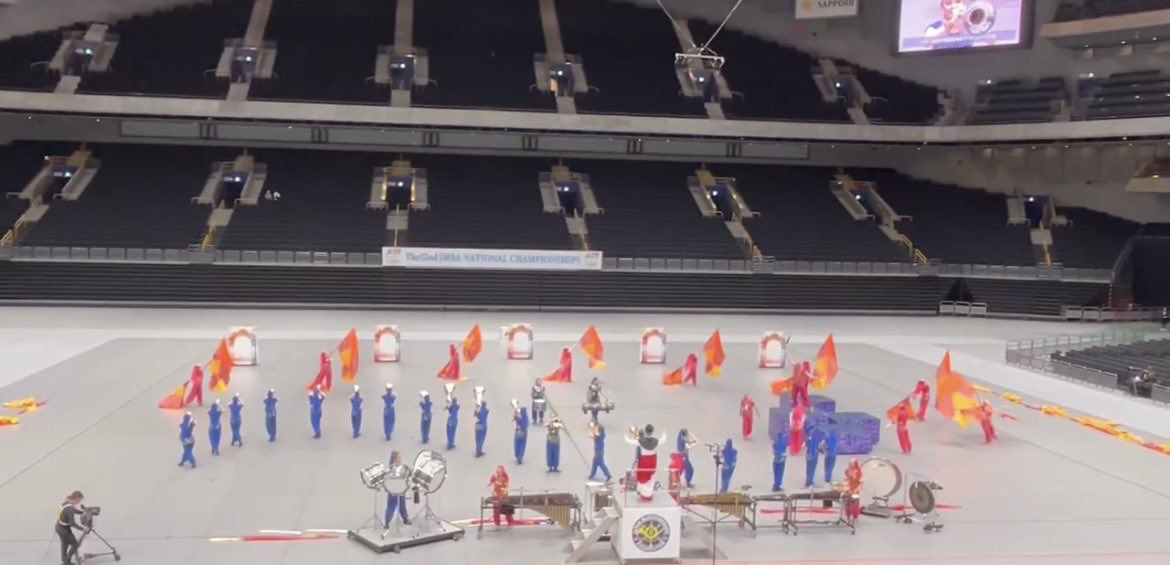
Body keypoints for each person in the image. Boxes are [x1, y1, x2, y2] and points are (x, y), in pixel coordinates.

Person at [56, 491, 86, 565]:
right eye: (79, 500)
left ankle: (65, 561)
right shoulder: (70, 508)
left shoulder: (65, 503)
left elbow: (73, 510)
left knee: (64, 544)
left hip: (58, 527)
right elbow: (72, 523)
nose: (79, 502)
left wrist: (82, 512)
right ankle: (66, 561)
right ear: (76, 498)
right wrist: (82, 528)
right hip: (64, 530)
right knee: (75, 544)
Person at [384, 451, 410, 528]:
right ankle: (387, 522)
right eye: (399, 457)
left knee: (402, 505)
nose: (400, 459)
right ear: (395, 459)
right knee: (391, 506)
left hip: (401, 489)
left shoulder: (401, 468)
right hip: (393, 490)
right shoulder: (392, 468)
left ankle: (405, 518)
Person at [844, 458, 863, 522]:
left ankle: (855, 516)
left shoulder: (858, 472)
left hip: (855, 490)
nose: (851, 465)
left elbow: (860, 482)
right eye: (850, 464)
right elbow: (846, 479)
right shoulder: (847, 471)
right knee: (847, 502)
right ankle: (848, 515)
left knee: (855, 503)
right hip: (848, 489)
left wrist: (857, 489)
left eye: (852, 464)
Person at [804, 423, 822, 488]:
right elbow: (814, 447)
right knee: (811, 468)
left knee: (809, 468)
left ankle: (808, 481)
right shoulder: (813, 437)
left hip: (809, 454)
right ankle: (809, 481)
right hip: (813, 455)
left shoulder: (808, 438)